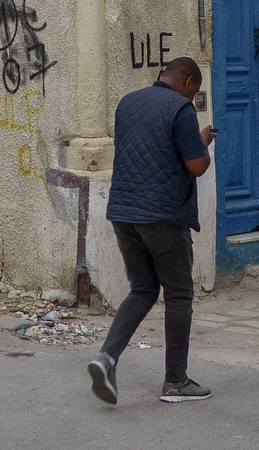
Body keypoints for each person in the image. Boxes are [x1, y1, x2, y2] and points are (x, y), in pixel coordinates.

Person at [87, 57, 216, 406]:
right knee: (178, 294)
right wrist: (202, 144)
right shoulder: (181, 108)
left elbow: (152, 148)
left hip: (123, 212)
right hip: (162, 215)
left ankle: (106, 358)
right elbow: (196, 165)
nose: (193, 97)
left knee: (143, 289)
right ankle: (176, 381)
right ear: (188, 82)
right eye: (195, 90)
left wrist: (194, 140)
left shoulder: (128, 102)